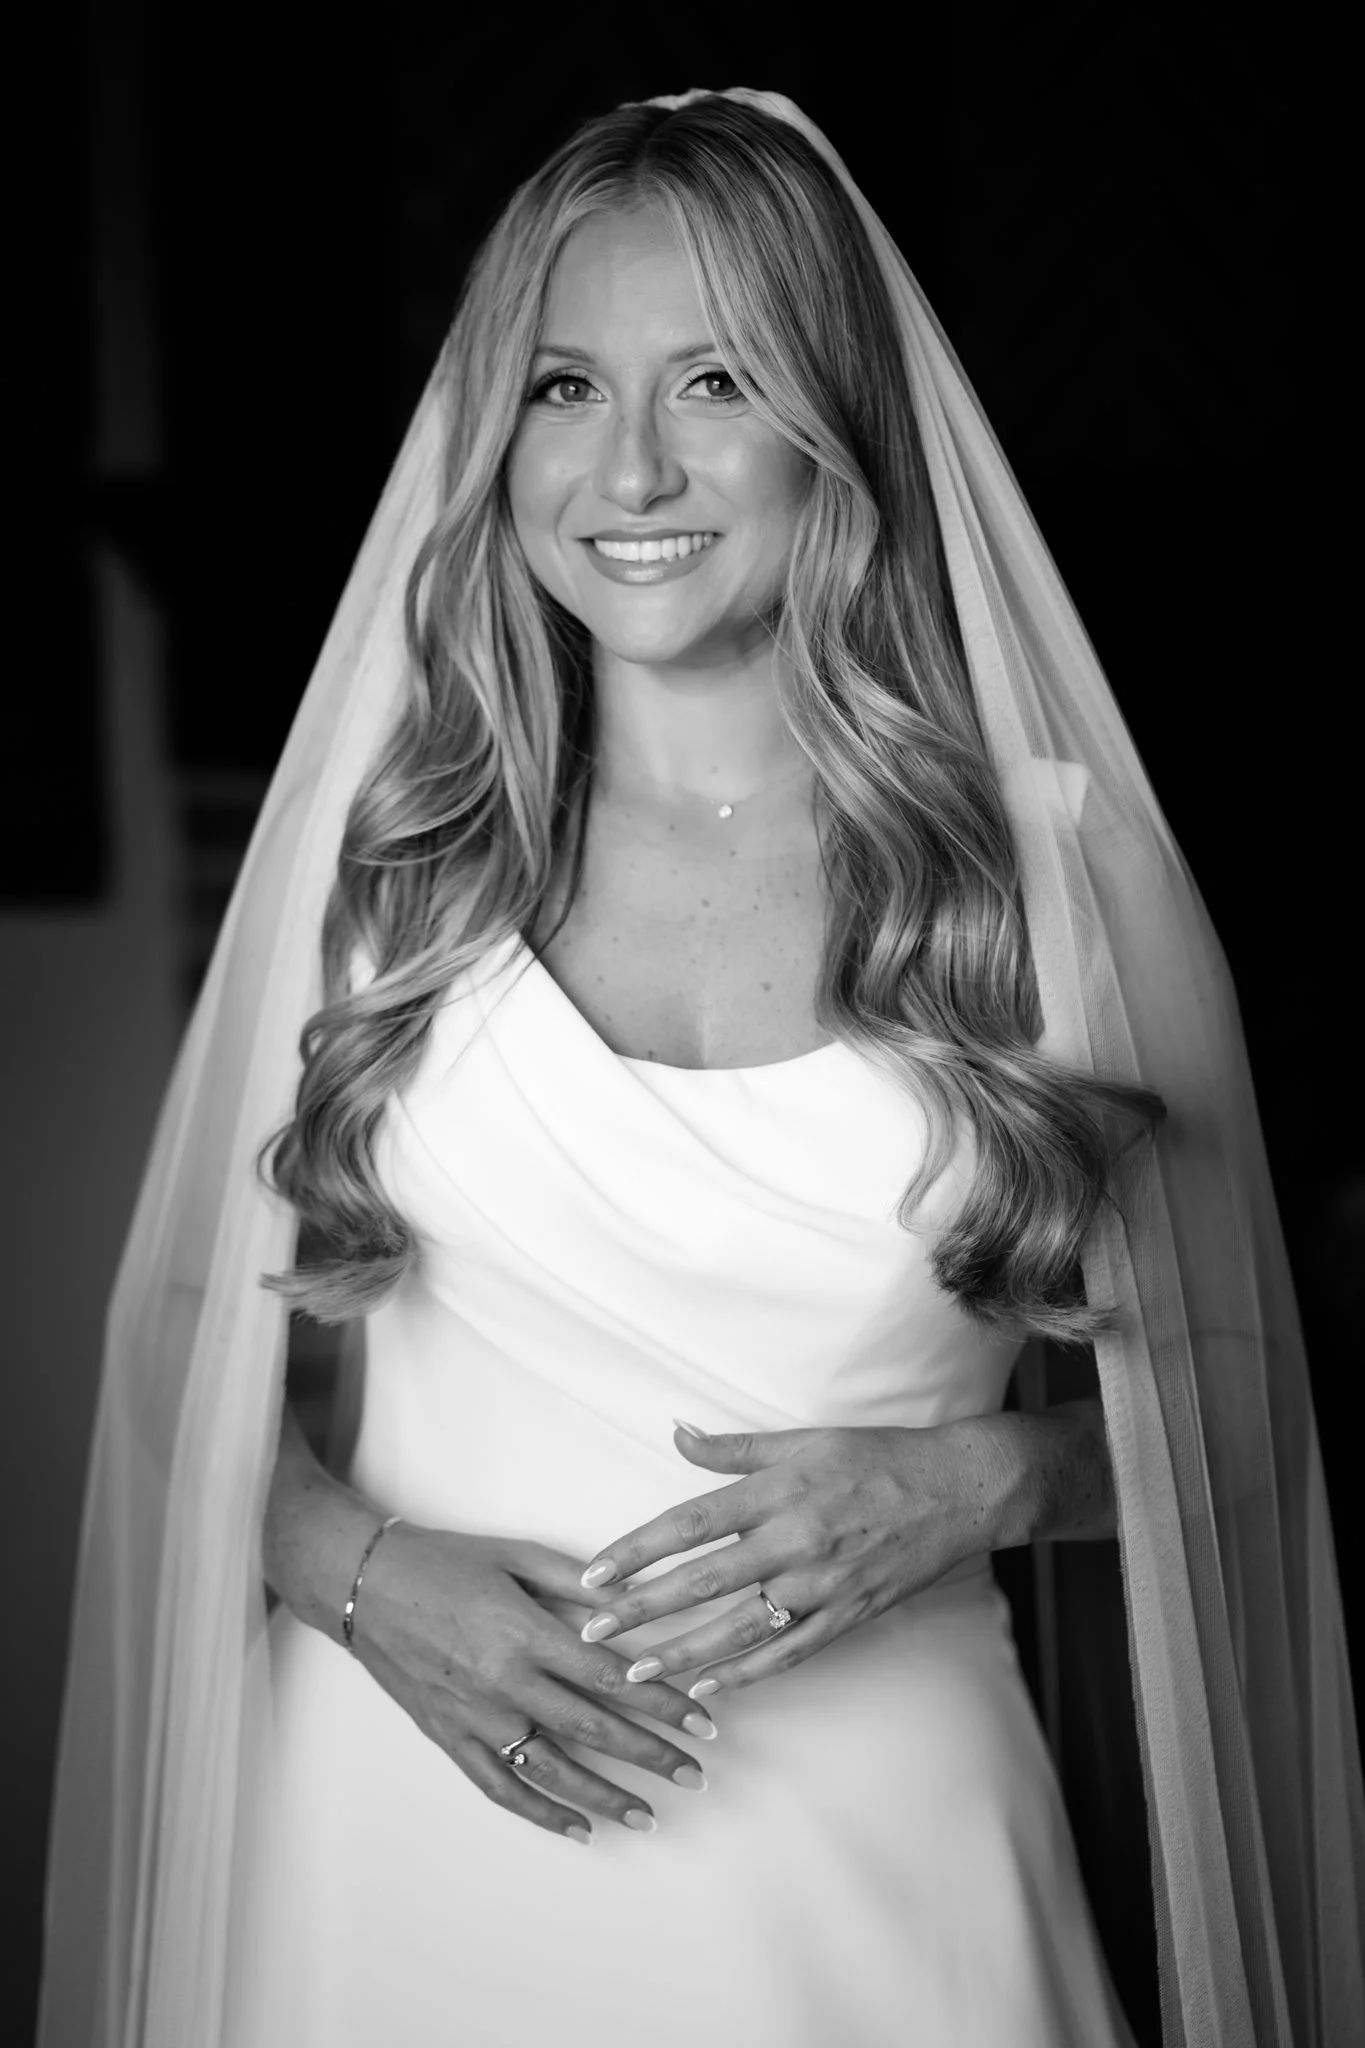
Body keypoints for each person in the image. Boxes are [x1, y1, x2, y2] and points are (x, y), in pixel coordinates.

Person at [37, 89, 1364, 2048]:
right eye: (566, 386)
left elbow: (1249, 1400)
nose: (632, 465)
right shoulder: (385, 859)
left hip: (881, 1873)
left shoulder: (1053, 877)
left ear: (832, 424)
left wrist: (981, 1478)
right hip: (395, 1840)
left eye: (716, 379)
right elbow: (176, 1357)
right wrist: (357, 1575)